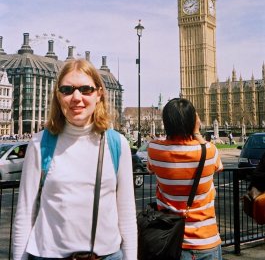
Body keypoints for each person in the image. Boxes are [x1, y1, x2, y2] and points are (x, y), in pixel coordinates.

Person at [13, 58, 137, 260]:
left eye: (86, 89)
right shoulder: (40, 143)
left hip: (105, 255)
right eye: (67, 90)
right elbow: (24, 213)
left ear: (99, 94)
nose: (76, 97)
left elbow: (127, 215)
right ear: (58, 96)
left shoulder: (116, 144)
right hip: (49, 255)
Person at [147, 98, 223, 260]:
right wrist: (196, 133)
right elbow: (219, 167)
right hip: (206, 240)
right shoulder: (209, 151)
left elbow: (150, 168)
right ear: (194, 121)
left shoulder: (154, 149)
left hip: (170, 240)